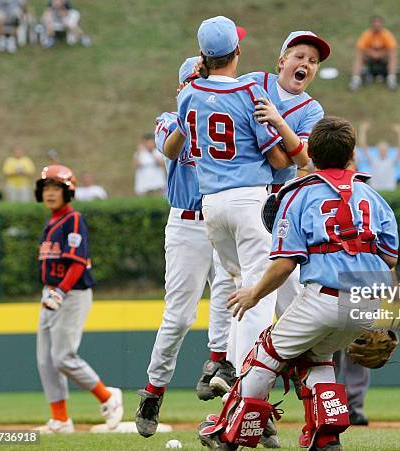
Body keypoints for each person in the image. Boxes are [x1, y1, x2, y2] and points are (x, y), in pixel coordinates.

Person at [198, 116, 399, 451]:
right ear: (351, 155)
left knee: (264, 355)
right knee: (317, 358)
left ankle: (231, 434)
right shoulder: (373, 196)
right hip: (367, 300)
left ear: (311, 154)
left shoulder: (298, 195)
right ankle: (327, 437)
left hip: (324, 296)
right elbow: (389, 259)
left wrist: (253, 294)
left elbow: (284, 264)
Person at [172, 16, 307, 386]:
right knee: (259, 297)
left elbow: (179, 137)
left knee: (237, 289)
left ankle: (226, 366)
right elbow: (280, 161)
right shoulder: (249, 93)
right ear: (237, 51)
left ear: (203, 55)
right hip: (250, 201)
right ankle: (248, 388)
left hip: (210, 207)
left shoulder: (187, 95)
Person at [135, 57, 236, 439]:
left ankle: (226, 378)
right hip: (187, 223)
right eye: (199, 80)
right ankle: (154, 391)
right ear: (185, 86)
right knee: (178, 317)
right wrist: (187, 109)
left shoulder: (231, 113)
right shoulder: (170, 117)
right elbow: (174, 148)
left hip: (225, 219)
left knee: (234, 306)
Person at [239, 30, 329, 317]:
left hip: (278, 201)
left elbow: (301, 156)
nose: (306, 64)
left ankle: (298, 352)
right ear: (281, 61)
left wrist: (276, 122)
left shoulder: (312, 109)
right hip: (241, 191)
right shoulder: (254, 82)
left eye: (313, 61)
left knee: (285, 283)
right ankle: (230, 357)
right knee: (237, 281)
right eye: (299, 56)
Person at [33, 164, 124, 433]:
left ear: (68, 192)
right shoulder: (51, 221)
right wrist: (52, 292)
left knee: (62, 357)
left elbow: (77, 263)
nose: (50, 193)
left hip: (71, 293)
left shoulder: (73, 219)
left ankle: (108, 398)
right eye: (46, 188)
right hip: (51, 292)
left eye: (56, 188)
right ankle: (60, 419)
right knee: (45, 360)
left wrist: (60, 292)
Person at [349, 16, 398, 92]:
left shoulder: (386, 34)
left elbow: (392, 48)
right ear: (372, 25)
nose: (377, 25)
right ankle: (355, 80)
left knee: (393, 55)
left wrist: (380, 53)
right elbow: (360, 47)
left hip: (383, 57)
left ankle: (391, 79)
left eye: (378, 23)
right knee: (359, 55)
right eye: (375, 23)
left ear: (381, 24)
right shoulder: (367, 34)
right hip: (370, 57)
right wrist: (371, 53)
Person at [355, 121, 400, 191]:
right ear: (378, 150)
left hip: (390, 190)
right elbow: (363, 146)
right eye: (381, 149)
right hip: (376, 190)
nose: (383, 151)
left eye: (384, 149)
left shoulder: (392, 161)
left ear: (388, 150)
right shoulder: (373, 161)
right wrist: (363, 130)